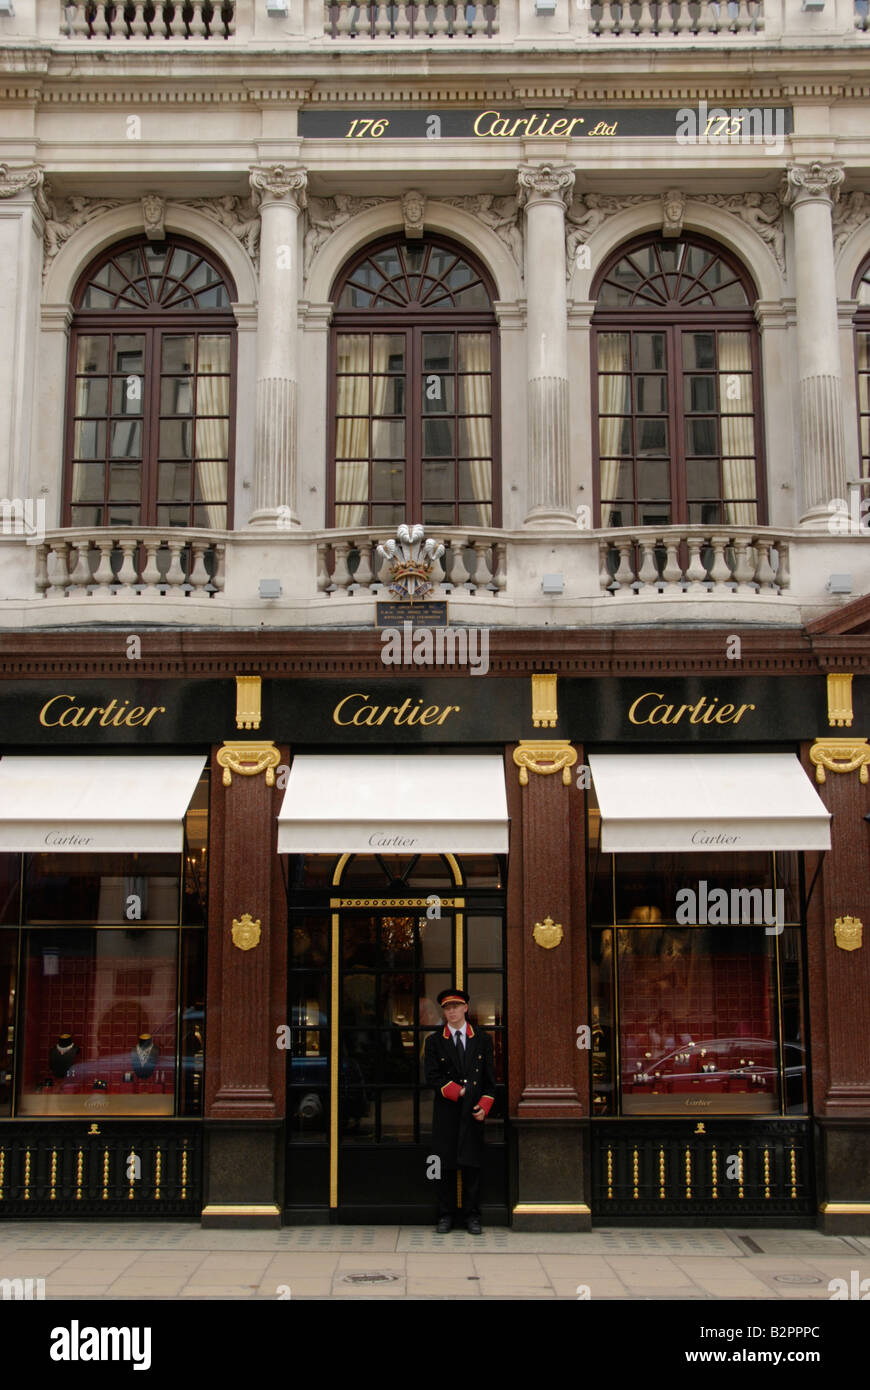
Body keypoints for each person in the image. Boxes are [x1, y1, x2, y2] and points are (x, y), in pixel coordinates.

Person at [423, 986, 496, 1234]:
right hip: (447, 1113)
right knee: (443, 1166)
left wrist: (484, 1107)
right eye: (447, 1008)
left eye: (455, 1007)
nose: (451, 1012)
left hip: (473, 1112)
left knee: (472, 1166)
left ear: (466, 1008)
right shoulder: (434, 1041)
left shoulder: (483, 1040)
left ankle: (472, 1216)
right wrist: (459, 1091)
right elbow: (431, 1076)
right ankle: (445, 1215)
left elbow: (490, 1081)